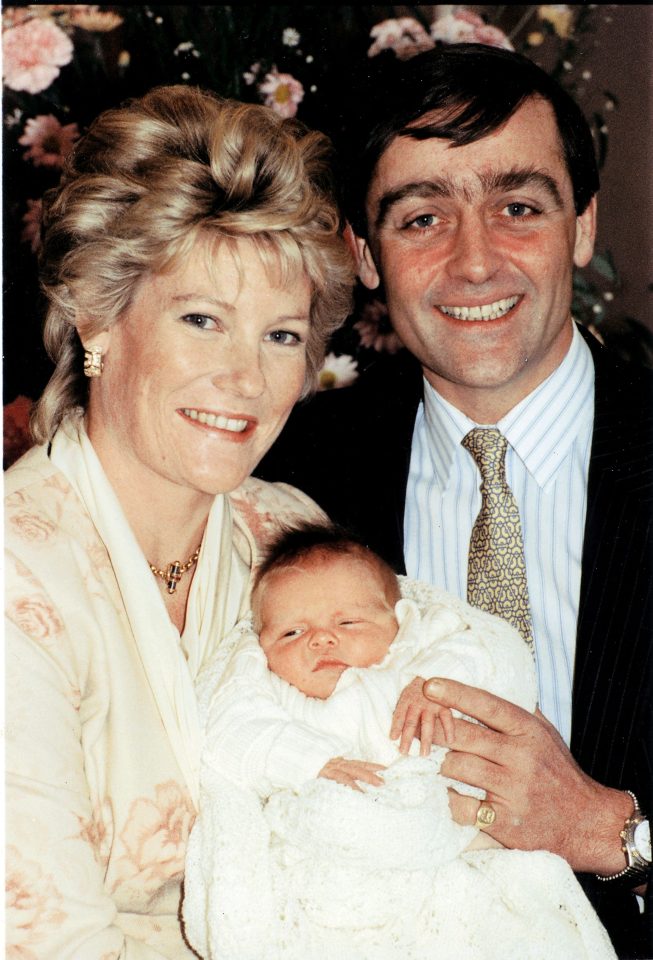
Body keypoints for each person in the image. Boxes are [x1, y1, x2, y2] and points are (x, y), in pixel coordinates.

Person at [256, 43, 653, 958]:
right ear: (362, 252)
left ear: (582, 228)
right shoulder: (285, 481)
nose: (475, 262)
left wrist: (612, 834)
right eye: (422, 217)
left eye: (518, 208)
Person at [4, 85, 355, 957]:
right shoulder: (14, 577)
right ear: (98, 318)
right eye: (203, 321)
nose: (247, 380)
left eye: (280, 336)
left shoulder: (289, 532)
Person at [183, 522, 616, 959]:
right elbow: (231, 731)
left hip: (449, 845)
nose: (320, 638)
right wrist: (313, 762)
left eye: (348, 621)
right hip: (336, 867)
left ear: (401, 621)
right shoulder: (273, 692)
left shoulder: (416, 656)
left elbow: (484, 652)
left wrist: (432, 685)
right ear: (261, 647)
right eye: (290, 633)